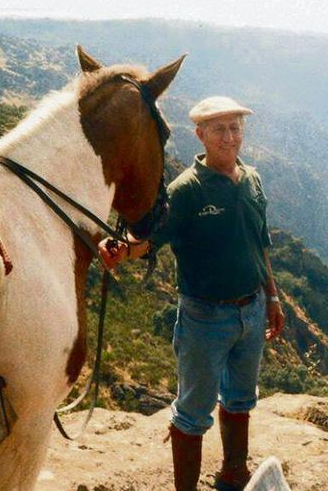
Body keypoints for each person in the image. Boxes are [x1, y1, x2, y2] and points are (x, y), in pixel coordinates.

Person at [98, 96, 285, 491]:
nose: (229, 137)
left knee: (240, 399)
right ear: (200, 135)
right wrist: (122, 249)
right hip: (205, 317)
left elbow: (260, 244)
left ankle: (233, 474)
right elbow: (150, 240)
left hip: (251, 310)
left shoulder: (252, 179)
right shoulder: (187, 190)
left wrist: (272, 297)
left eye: (235, 128)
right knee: (193, 412)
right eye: (219, 129)